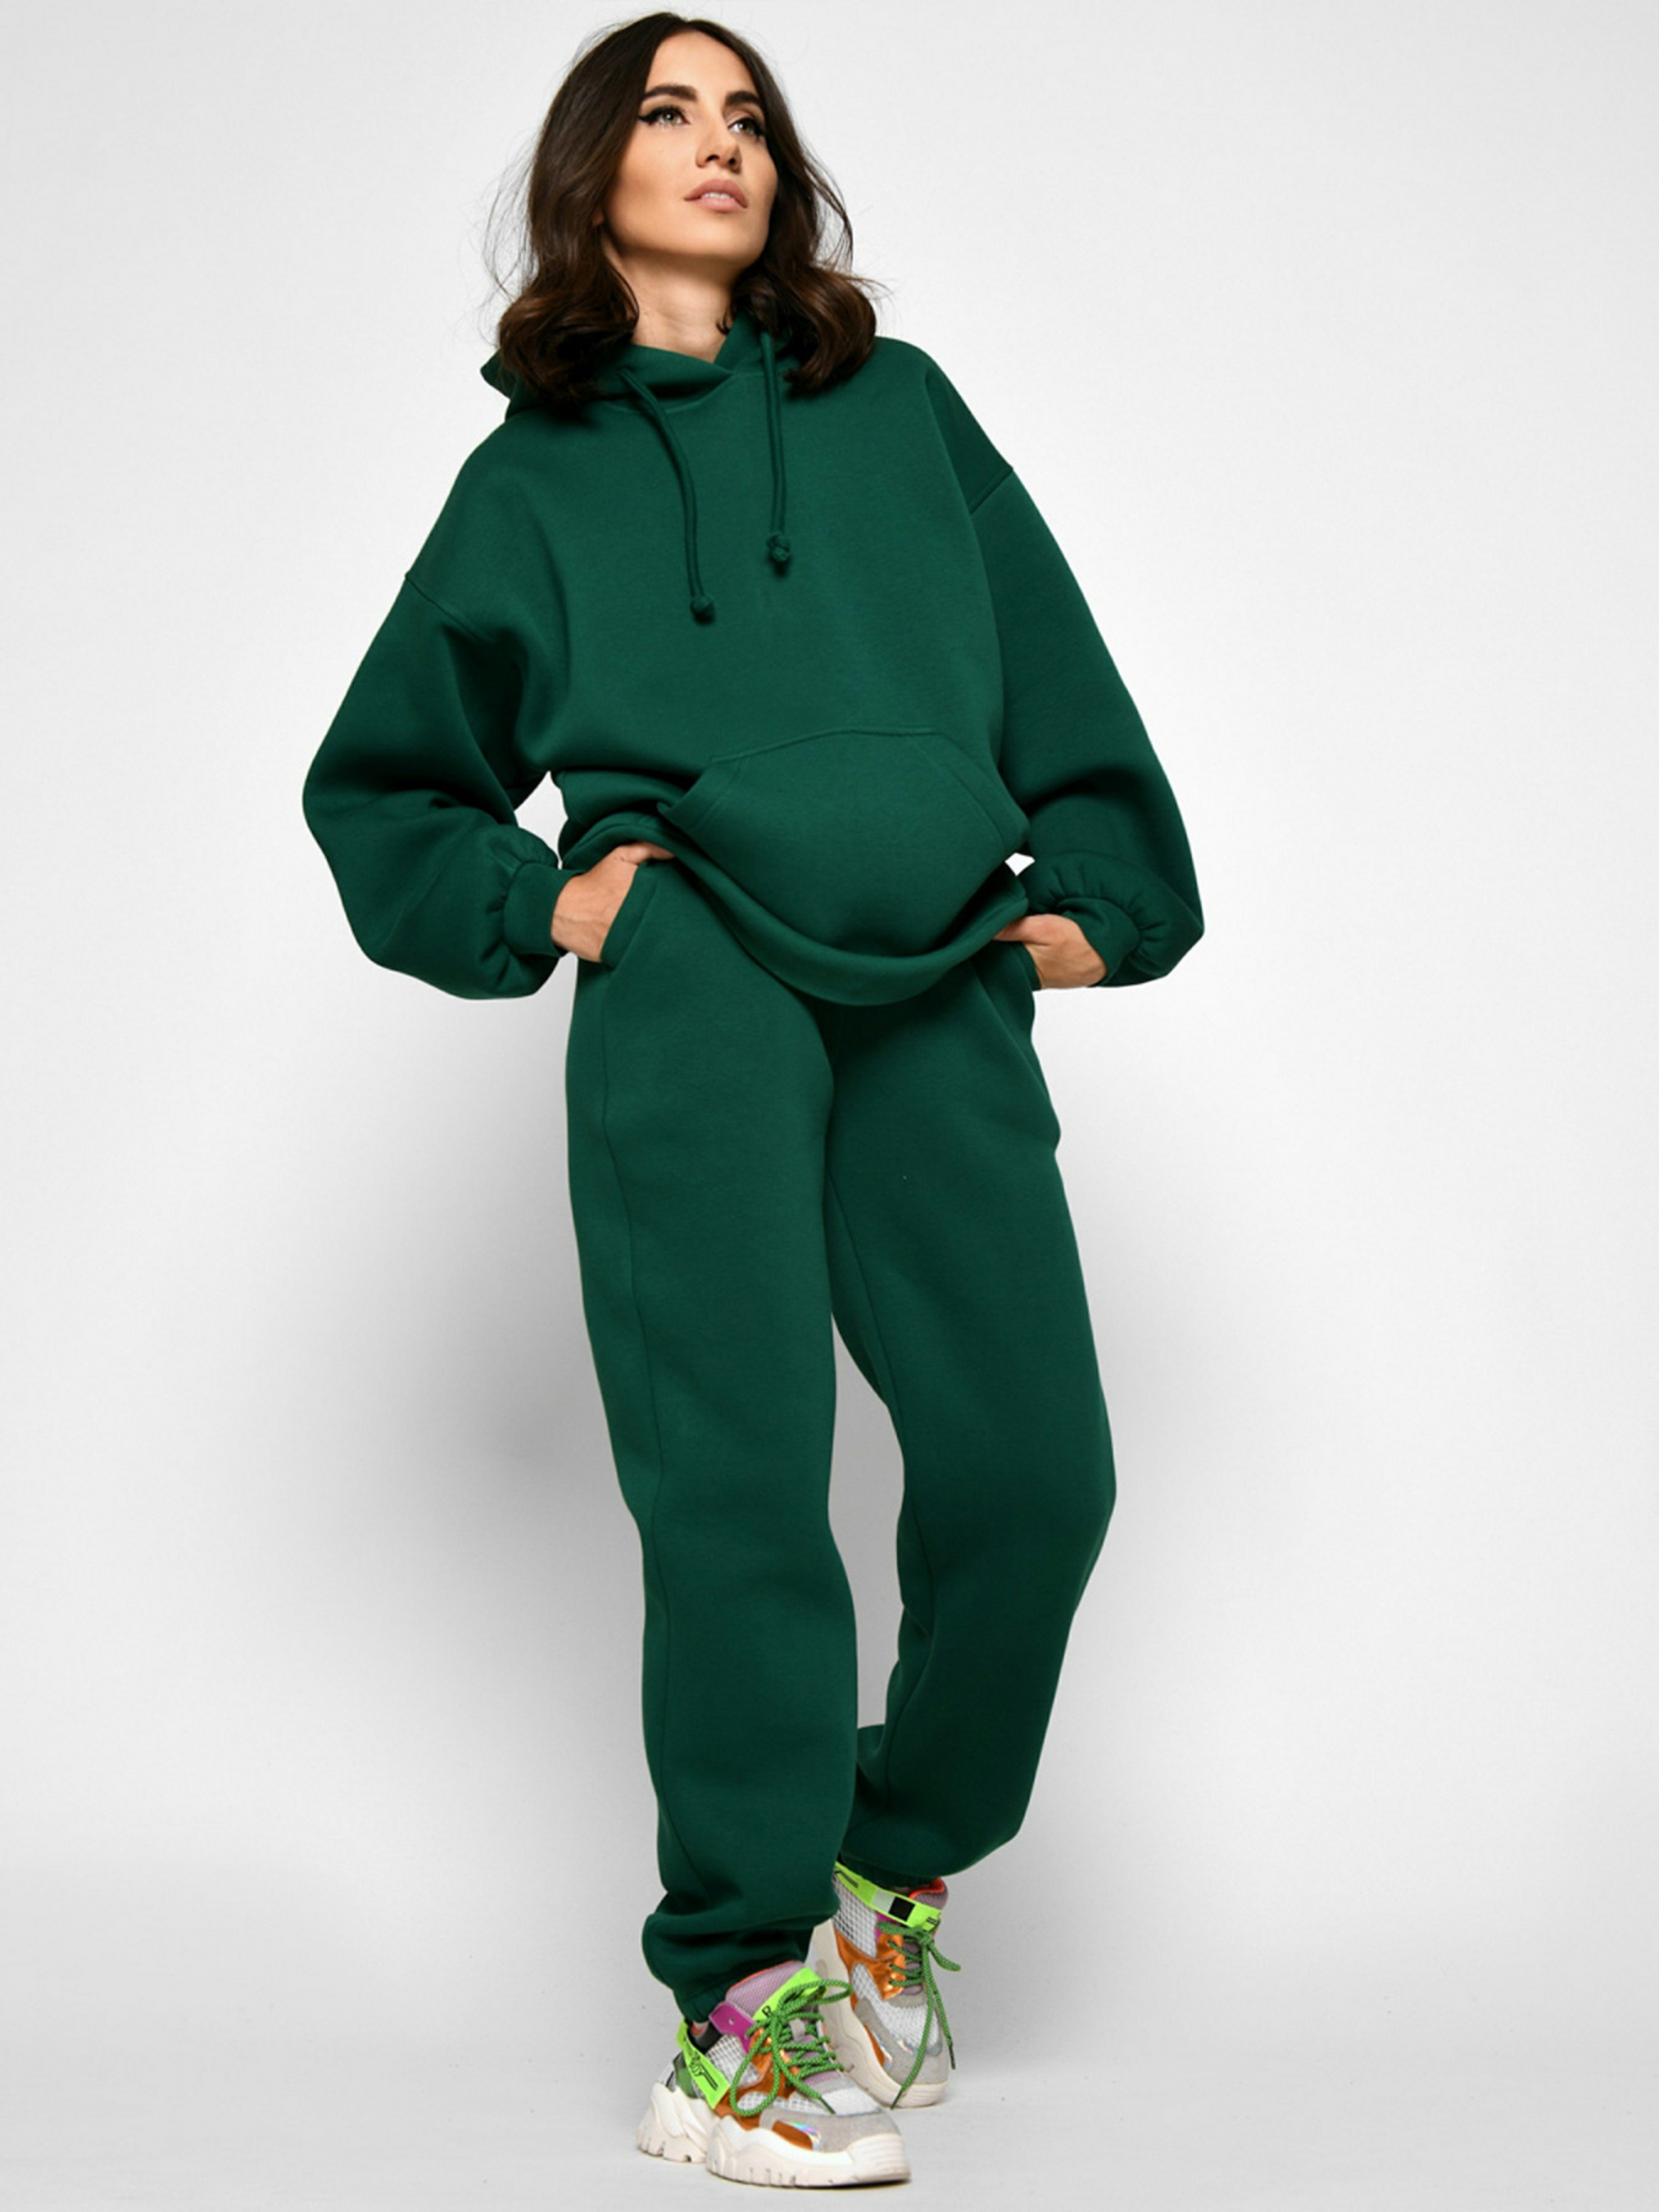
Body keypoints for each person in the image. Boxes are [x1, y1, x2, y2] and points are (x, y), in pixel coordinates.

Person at [301, 12, 1203, 2190]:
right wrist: (549, 903)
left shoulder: (903, 411)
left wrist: (1098, 901)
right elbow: (385, 782)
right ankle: (732, 2021)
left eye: (747, 117)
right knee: (739, 1501)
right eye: (667, 112)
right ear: (589, 171)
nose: (718, 145)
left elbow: (1059, 676)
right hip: (697, 979)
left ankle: (882, 1887)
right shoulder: (537, 478)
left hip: (935, 973)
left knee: (1033, 1470)